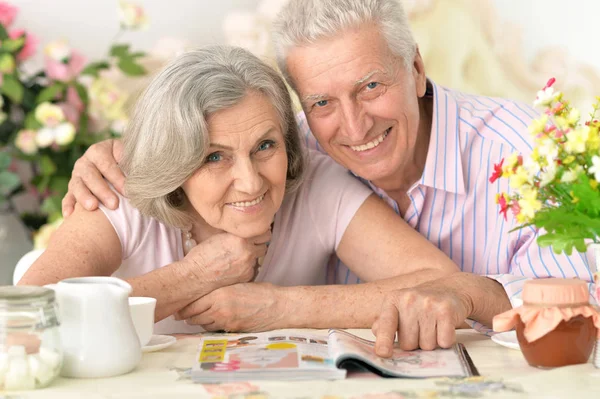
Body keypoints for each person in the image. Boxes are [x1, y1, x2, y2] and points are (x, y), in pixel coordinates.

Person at [60, 0, 596, 351]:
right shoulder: (293, 145)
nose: (355, 125)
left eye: (370, 86)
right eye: (321, 102)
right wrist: (118, 150)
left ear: (414, 70)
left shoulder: (533, 155)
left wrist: (277, 307)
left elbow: (578, 305)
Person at [19, 46, 459, 334]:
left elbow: (444, 283)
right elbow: (27, 317)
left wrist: (281, 308)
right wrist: (191, 277)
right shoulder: (119, 191)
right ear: (174, 163)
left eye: (265, 146)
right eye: (214, 156)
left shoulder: (312, 185)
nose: (250, 182)